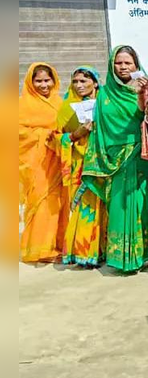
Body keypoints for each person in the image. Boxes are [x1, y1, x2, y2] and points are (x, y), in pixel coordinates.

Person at [81, 45, 148, 273]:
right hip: (116, 160)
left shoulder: (147, 90)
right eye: (119, 62)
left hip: (144, 156)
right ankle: (126, 259)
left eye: (128, 62)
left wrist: (144, 98)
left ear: (136, 65)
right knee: (122, 206)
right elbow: (101, 130)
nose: (124, 67)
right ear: (112, 65)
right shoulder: (104, 95)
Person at [56, 66, 104, 267]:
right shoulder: (67, 108)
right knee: (84, 206)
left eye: (84, 81)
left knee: (105, 206)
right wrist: (76, 134)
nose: (79, 85)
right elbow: (55, 138)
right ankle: (84, 252)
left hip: (104, 161)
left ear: (95, 82)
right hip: (80, 164)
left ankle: (104, 250)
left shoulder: (105, 104)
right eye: (75, 81)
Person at [19, 63, 64, 263]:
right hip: (37, 163)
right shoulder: (21, 105)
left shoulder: (60, 103)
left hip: (58, 161)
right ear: (30, 82)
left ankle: (59, 244)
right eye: (38, 81)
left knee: (59, 204)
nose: (44, 85)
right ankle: (41, 250)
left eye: (47, 80)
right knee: (41, 203)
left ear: (54, 81)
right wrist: (43, 134)